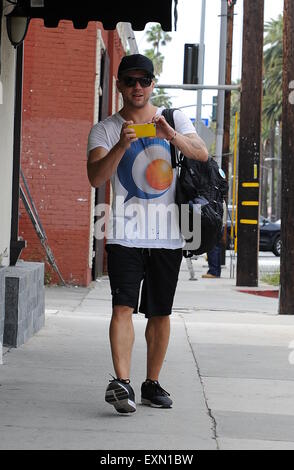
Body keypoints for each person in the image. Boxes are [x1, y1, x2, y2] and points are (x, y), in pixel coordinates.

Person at [87, 54, 208, 414]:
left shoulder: (173, 118)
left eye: (144, 81)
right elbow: (95, 177)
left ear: (152, 84)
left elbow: (201, 153)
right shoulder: (105, 129)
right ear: (120, 86)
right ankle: (122, 383)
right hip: (123, 230)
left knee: (160, 312)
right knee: (122, 306)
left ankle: (151, 384)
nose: (137, 87)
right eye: (130, 81)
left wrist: (168, 135)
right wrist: (123, 144)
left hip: (168, 232)